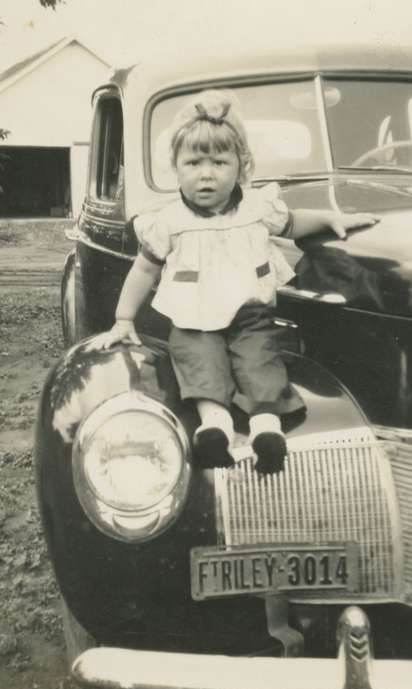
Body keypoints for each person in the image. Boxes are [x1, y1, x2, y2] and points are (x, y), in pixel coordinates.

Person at [97, 90, 378, 474]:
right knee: (199, 363)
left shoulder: (257, 207)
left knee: (261, 361)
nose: (206, 173)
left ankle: (267, 430)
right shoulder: (168, 222)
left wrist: (330, 219)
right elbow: (144, 269)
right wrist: (124, 318)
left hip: (250, 314)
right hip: (193, 318)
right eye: (193, 162)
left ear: (241, 166)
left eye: (219, 162)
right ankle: (216, 427)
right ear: (176, 168)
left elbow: (293, 223)